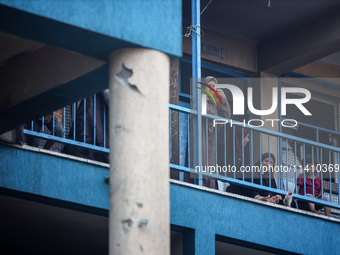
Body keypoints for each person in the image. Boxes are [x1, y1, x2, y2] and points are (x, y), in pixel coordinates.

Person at [201, 76, 231, 189]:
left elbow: (226, 116)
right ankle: (200, 184)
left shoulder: (215, 102)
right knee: (201, 160)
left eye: (214, 86)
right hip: (201, 135)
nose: (212, 88)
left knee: (210, 164)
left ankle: (209, 187)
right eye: (209, 86)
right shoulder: (200, 98)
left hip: (211, 138)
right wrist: (218, 119)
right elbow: (208, 112)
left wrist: (223, 99)